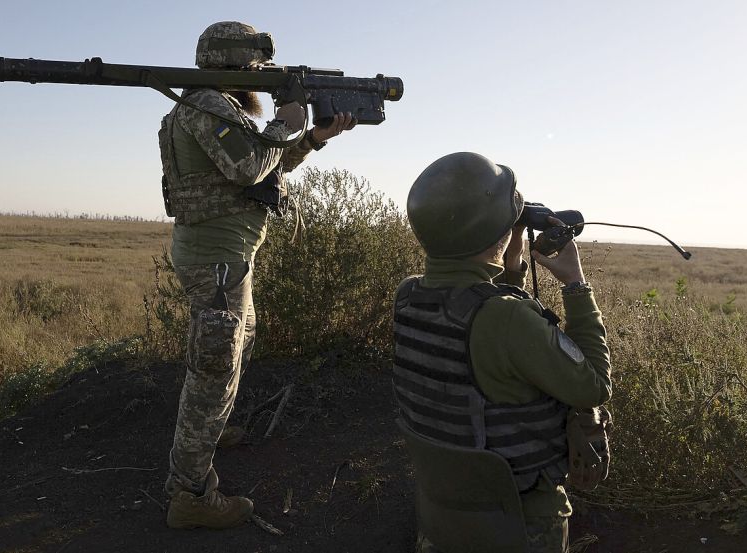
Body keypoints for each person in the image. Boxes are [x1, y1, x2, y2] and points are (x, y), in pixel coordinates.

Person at [158, 21, 355, 530]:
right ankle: (190, 494)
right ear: (235, 66)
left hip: (227, 255)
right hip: (216, 258)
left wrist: (311, 137)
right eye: (255, 69)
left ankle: (209, 428)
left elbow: (262, 166)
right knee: (215, 368)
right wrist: (285, 124)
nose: (260, 78)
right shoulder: (207, 106)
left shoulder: (214, 105)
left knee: (233, 348)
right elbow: (248, 168)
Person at [393, 152, 612, 552]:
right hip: (516, 521)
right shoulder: (506, 319)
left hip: (444, 512)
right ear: (497, 233)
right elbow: (594, 386)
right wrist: (576, 285)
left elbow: (480, 346)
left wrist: (510, 271)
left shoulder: (408, 295)